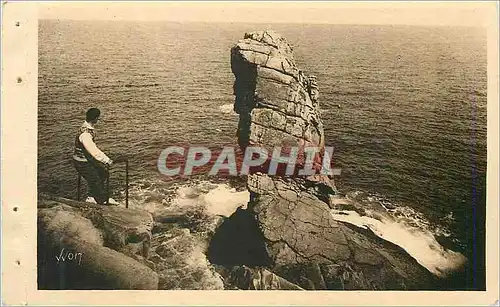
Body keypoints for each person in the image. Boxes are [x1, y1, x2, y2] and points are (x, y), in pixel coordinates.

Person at [72, 108, 125, 205]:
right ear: (95, 118)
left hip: (86, 160)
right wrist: (107, 160)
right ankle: (102, 200)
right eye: (98, 117)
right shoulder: (85, 134)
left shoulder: (86, 128)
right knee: (95, 179)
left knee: (103, 173)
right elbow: (93, 151)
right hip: (82, 162)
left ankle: (92, 196)